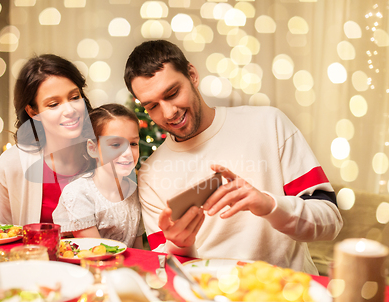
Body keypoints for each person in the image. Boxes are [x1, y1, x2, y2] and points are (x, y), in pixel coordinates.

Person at [124, 40, 342, 274]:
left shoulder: (269, 123)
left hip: (288, 296)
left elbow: (331, 221)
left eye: (173, 93)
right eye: (152, 106)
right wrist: (179, 244)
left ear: (192, 75)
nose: (168, 113)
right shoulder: (150, 174)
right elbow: (164, 267)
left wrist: (269, 205)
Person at [0, 54, 95, 226]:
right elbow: (6, 232)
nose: (70, 110)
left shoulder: (104, 155)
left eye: (74, 97)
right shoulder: (13, 163)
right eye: (53, 104)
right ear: (34, 112)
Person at [53, 104, 144, 249]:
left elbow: (139, 250)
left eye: (133, 143)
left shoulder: (135, 190)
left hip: (126, 269)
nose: (127, 153)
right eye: (115, 144)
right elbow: (96, 252)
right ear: (93, 148)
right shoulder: (78, 193)